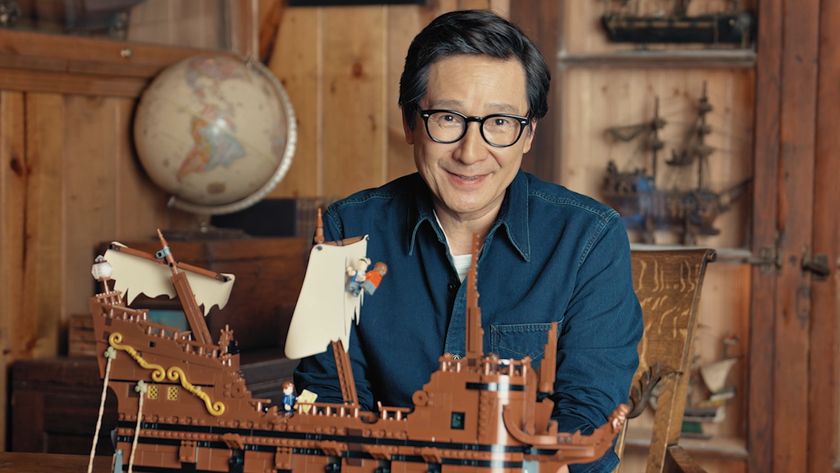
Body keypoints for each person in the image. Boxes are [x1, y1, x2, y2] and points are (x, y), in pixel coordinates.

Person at [294, 10, 643, 472]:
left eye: (499, 122)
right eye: (447, 117)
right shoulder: (345, 232)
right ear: (410, 123)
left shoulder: (588, 239)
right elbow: (329, 402)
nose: (471, 152)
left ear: (528, 134)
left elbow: (587, 417)